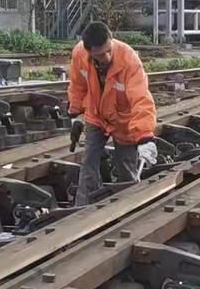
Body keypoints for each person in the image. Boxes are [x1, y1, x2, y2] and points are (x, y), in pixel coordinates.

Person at [68, 22, 158, 206]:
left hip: (123, 121)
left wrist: (145, 137)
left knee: (126, 167)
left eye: (109, 50)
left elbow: (141, 99)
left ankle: (129, 207)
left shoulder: (129, 60)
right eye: (100, 54)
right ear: (89, 52)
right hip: (96, 115)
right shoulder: (79, 55)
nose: (107, 56)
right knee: (88, 164)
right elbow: (77, 85)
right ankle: (83, 209)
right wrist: (75, 112)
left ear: (111, 40)